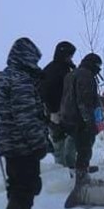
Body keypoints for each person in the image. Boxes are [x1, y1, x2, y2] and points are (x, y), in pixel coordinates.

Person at [0, 37, 51, 209]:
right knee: (23, 186)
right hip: (21, 144)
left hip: (13, 142)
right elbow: (25, 116)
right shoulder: (19, 81)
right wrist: (38, 143)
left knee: (27, 184)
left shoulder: (9, 77)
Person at [59, 52, 104, 190]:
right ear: (94, 64)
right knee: (84, 148)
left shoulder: (71, 74)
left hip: (67, 117)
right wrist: (89, 122)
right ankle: (82, 179)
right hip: (79, 119)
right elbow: (84, 101)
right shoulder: (86, 76)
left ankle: (78, 171)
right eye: (98, 66)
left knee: (76, 145)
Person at [39, 40, 77, 168]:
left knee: (70, 140)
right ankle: (61, 170)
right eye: (69, 55)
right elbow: (45, 91)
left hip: (67, 111)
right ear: (63, 54)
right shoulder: (52, 70)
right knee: (59, 143)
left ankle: (72, 166)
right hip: (55, 112)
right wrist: (53, 111)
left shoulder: (67, 68)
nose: (71, 58)